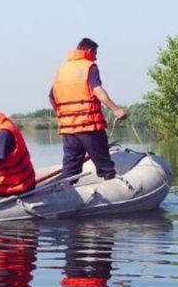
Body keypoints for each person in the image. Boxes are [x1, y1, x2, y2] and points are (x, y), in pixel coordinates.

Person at [49, 38, 127, 181]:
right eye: (95, 53)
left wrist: (63, 115)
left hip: (69, 128)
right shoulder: (89, 66)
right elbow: (97, 90)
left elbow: (51, 96)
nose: (96, 57)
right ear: (89, 51)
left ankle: (67, 193)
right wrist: (116, 109)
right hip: (89, 125)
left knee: (71, 167)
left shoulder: (62, 69)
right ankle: (111, 183)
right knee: (104, 163)